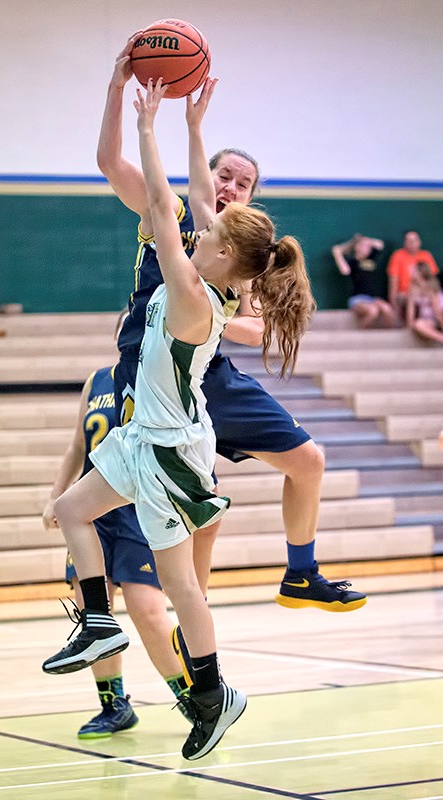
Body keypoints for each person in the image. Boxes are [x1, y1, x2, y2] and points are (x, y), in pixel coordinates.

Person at [42, 76, 314, 761]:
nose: (205, 218)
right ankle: (101, 625)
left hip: (169, 448)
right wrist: (194, 128)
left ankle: (214, 692)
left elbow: (166, 205)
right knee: (72, 511)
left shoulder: (192, 294)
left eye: (213, 227)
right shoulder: (209, 275)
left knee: (178, 583)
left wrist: (145, 126)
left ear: (220, 256)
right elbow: (191, 199)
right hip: (144, 434)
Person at [96, 32, 366, 643]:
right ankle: (178, 626)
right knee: (201, 514)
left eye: (242, 184)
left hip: (206, 370)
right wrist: (123, 94)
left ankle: (300, 574)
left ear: (248, 205)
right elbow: (115, 164)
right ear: (208, 174)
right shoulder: (166, 211)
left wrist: (221, 321)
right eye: (224, 174)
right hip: (156, 373)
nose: (229, 186)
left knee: (309, 462)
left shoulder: (234, 257)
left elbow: (257, 326)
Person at [42, 361, 192, 739]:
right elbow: (78, 445)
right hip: (93, 510)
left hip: (135, 508)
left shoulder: (155, 373)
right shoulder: (96, 380)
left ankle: (191, 698)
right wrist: (55, 496)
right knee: (93, 609)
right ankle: (114, 705)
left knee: (148, 609)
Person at [332, 234, 395, 328]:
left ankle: (386, 337)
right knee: (373, 311)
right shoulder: (352, 262)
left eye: (368, 246)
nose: (368, 248)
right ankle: (361, 336)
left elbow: (380, 244)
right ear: (357, 247)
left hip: (373, 298)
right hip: (358, 299)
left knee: (388, 310)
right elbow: (343, 267)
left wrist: (366, 240)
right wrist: (351, 243)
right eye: (364, 246)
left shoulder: (371, 258)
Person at [387, 231, 439, 319]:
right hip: (405, 293)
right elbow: (393, 282)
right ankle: (410, 326)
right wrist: (393, 304)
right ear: (404, 243)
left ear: (419, 242)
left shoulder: (426, 256)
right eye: (409, 241)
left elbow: (432, 280)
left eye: (415, 240)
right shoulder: (398, 255)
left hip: (425, 291)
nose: (412, 243)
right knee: (411, 296)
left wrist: (424, 291)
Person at [406, 261, 443, 345]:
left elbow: (437, 309)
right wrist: (409, 326)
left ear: (420, 273)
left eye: (414, 270)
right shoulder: (412, 288)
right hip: (428, 320)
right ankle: (440, 338)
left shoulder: (431, 286)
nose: (411, 272)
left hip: (439, 317)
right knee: (418, 324)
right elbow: (410, 309)